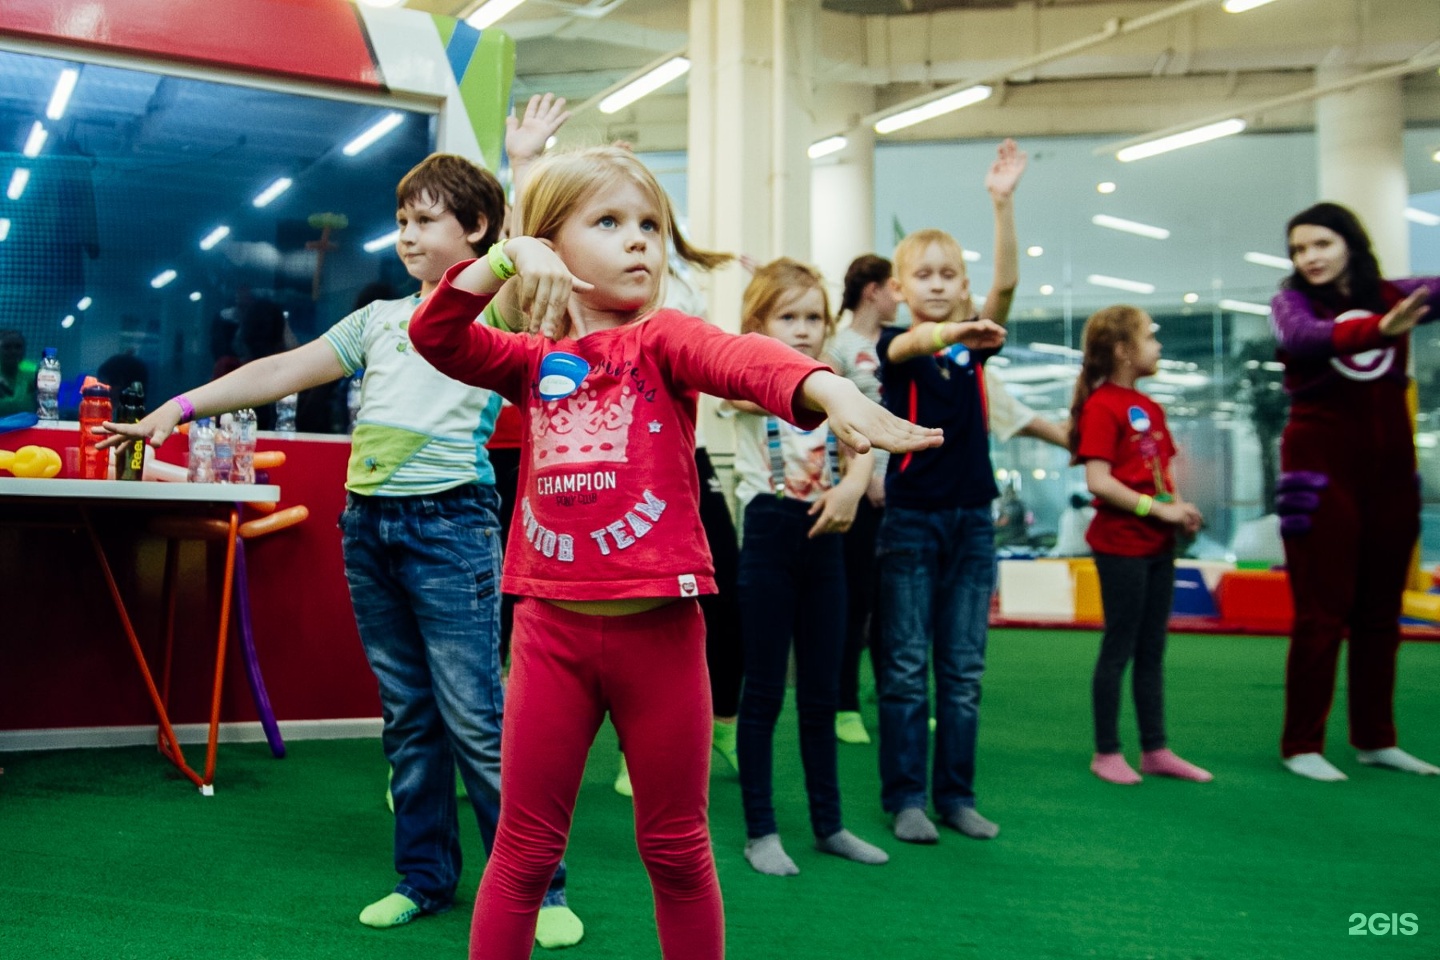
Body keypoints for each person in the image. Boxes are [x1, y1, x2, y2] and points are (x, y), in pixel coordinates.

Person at [405, 145, 940, 960]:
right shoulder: (528, 360)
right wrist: (509, 256)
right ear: (552, 241)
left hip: (661, 635)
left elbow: (744, 360)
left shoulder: (664, 341)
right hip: (551, 636)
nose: (640, 242)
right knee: (523, 850)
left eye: (651, 225)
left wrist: (827, 389)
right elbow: (436, 332)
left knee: (677, 849)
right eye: (611, 222)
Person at [98, 150, 584, 947]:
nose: (405, 235)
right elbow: (286, 367)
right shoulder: (379, 319)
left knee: (477, 718)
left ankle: (541, 884)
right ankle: (424, 878)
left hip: (451, 525)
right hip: (369, 528)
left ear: (479, 230)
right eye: (400, 222)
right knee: (409, 719)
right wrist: (177, 409)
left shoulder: (489, 316)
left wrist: (521, 175)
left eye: (425, 220)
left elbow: (529, 267)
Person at [873, 139, 1022, 845]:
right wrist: (944, 329)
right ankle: (905, 797)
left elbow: (1009, 289)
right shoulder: (899, 347)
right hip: (910, 521)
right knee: (905, 667)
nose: (937, 282)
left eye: (949, 275)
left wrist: (1001, 205)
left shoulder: (973, 344)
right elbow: (906, 350)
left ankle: (955, 796)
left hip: (971, 523)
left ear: (963, 284)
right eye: (923, 275)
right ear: (900, 289)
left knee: (962, 670)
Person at [726, 257, 889, 877]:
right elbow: (734, 383)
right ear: (758, 325)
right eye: (786, 317)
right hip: (769, 532)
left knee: (822, 690)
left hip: (827, 534)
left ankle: (829, 824)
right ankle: (760, 830)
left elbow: (861, 448)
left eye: (813, 317)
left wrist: (852, 488)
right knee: (765, 690)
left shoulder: (835, 384)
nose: (802, 329)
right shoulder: (744, 380)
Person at [1270, 201, 1440, 781]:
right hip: (1319, 478)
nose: (1308, 258)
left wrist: (1392, 317)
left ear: (1349, 242)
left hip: (1391, 477)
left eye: (1320, 244)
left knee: (1380, 614)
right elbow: (1305, 338)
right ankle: (1301, 743)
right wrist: (1378, 329)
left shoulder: (1396, 292)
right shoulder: (1290, 302)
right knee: (1321, 613)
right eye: (1298, 249)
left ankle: (1375, 737)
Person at [1068, 305, 1212, 785]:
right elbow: (1099, 480)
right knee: (1120, 647)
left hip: (1157, 546)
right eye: (1150, 337)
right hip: (1121, 545)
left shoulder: (1149, 406)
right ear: (1123, 351)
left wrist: (1180, 509)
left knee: (1152, 650)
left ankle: (1155, 749)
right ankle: (1106, 751)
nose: (1159, 345)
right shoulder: (1102, 405)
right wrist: (1158, 511)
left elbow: (1161, 475)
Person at [831, 254, 899, 745]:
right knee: (856, 600)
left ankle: (896, 697)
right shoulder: (838, 346)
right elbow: (832, 419)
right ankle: (845, 703)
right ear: (872, 289)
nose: (901, 296)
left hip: (907, 494)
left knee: (896, 604)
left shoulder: (901, 345)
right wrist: (865, 475)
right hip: (862, 491)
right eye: (894, 286)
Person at [0, 329, 37, 418]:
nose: (13, 351)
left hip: (29, 430)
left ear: (24, 350)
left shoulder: (34, 372)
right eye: (7, 347)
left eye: (18, 347)